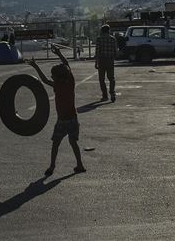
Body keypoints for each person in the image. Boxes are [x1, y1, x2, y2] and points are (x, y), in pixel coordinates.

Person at [28, 46, 85, 176]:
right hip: (71, 119)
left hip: (64, 120)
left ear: (59, 77)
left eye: (53, 76)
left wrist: (36, 67)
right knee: (72, 143)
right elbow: (66, 65)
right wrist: (58, 53)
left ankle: (53, 166)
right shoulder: (68, 82)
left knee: (56, 144)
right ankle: (79, 164)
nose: (52, 77)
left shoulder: (60, 84)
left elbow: (45, 80)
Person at [94, 25, 118, 102]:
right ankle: (112, 92)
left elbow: (97, 51)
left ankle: (105, 96)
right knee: (111, 78)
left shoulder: (99, 39)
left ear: (102, 31)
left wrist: (96, 62)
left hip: (102, 60)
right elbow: (115, 51)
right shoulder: (113, 39)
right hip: (110, 60)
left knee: (102, 79)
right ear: (108, 30)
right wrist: (113, 58)